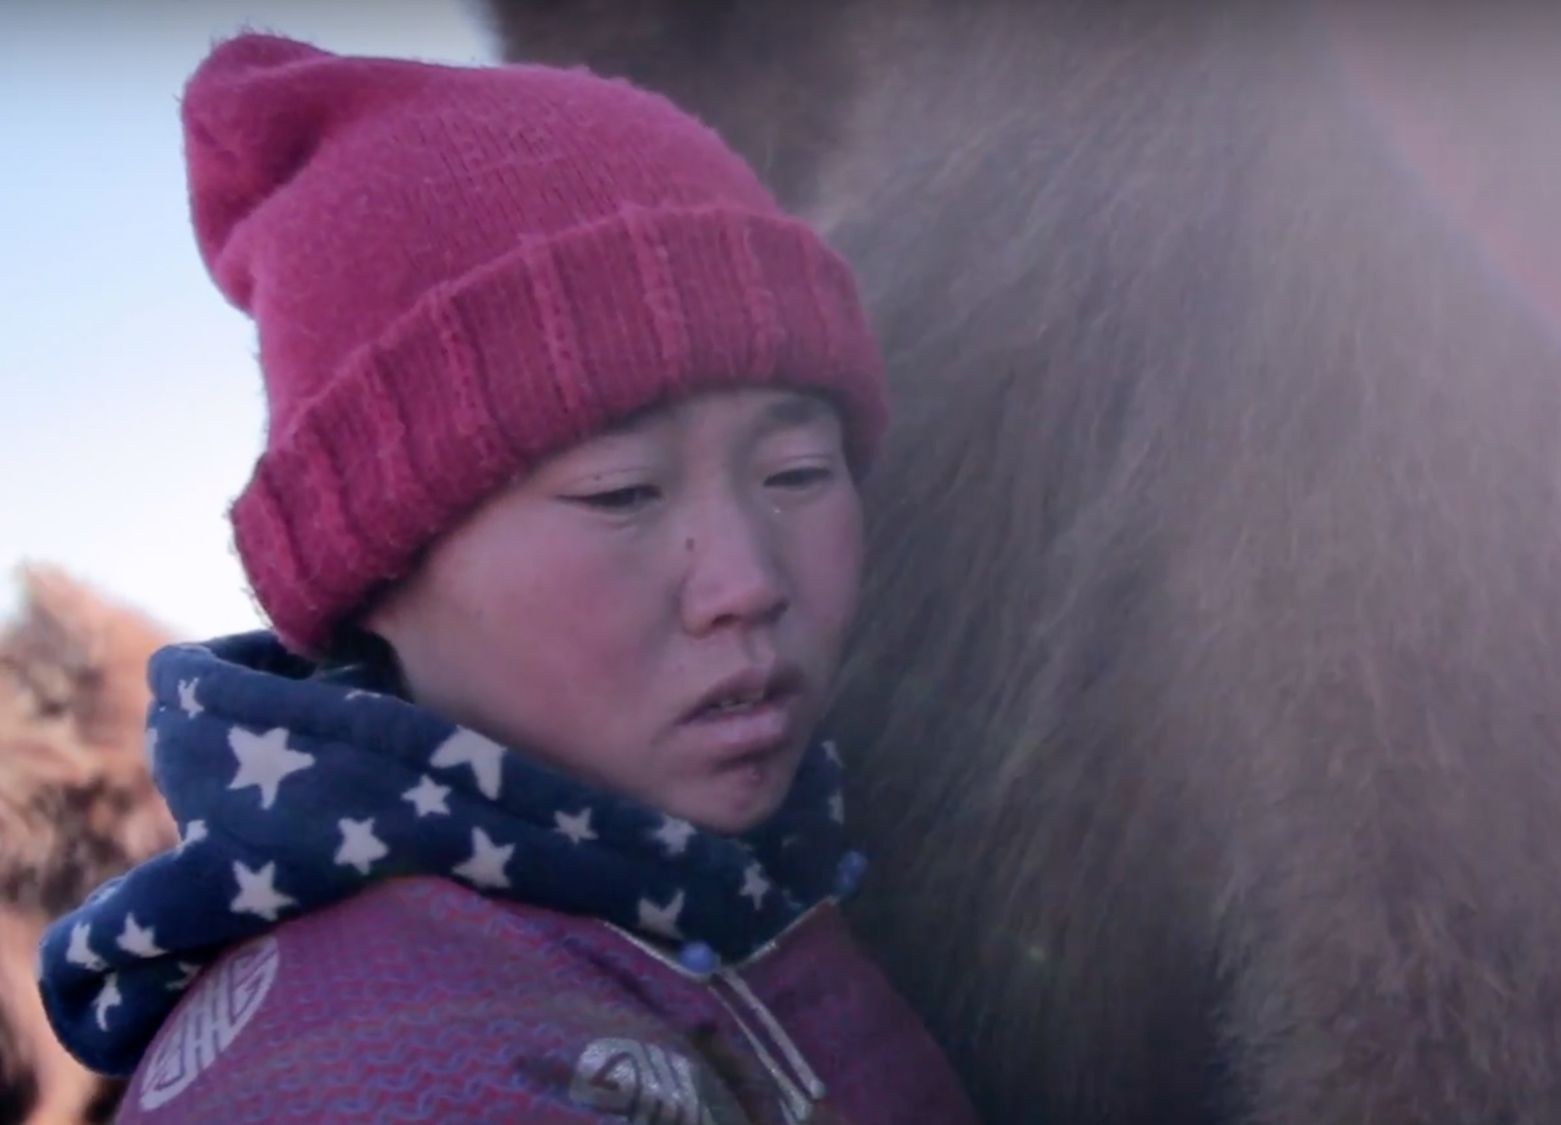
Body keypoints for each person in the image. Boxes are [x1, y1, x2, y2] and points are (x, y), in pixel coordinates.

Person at [36, 31, 979, 1124]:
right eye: (621, 492)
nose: (744, 580)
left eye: (797, 471)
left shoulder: (724, 890)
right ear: (380, 573)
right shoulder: (404, 1074)